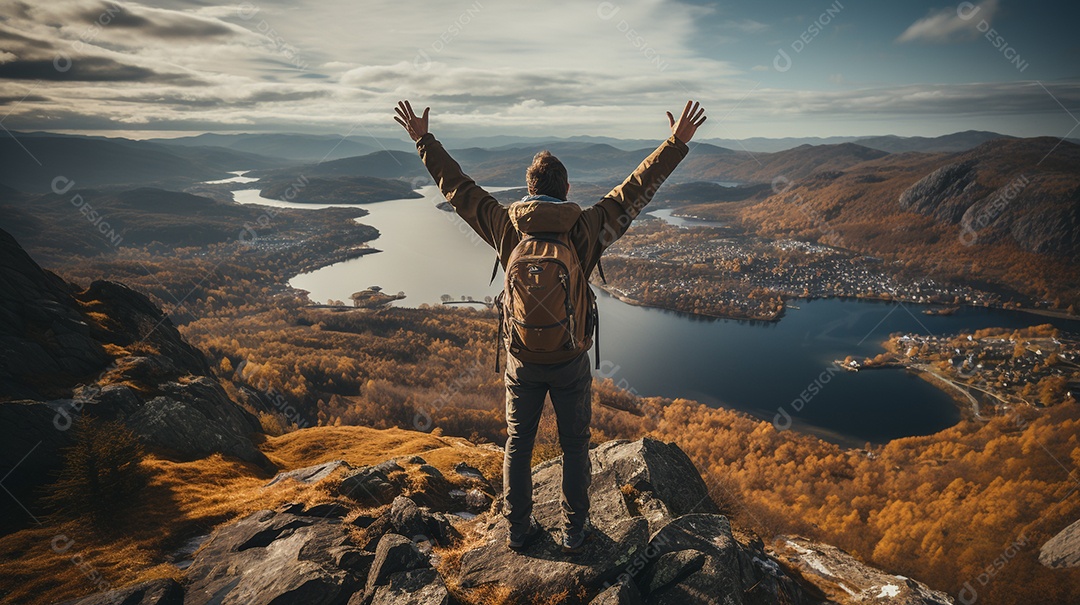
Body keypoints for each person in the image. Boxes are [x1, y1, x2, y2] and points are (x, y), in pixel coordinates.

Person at [394, 99, 706, 553]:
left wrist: (424, 140)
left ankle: (518, 530)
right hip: (569, 360)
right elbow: (635, 191)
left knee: (518, 443)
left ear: (528, 189)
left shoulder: (506, 226)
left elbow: (458, 189)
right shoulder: (585, 229)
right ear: (565, 190)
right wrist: (675, 143)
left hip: (521, 359)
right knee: (575, 445)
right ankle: (574, 530)